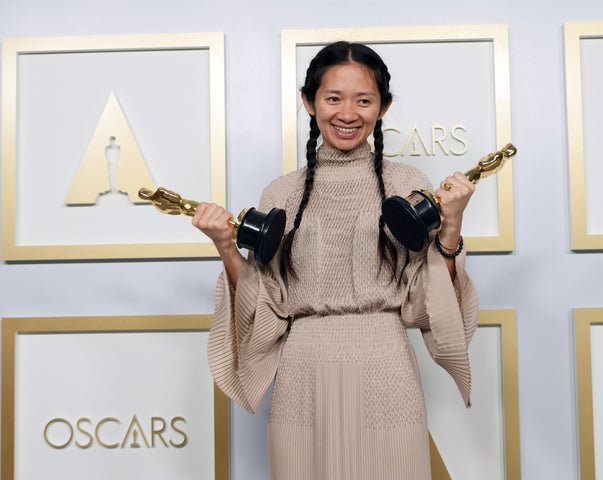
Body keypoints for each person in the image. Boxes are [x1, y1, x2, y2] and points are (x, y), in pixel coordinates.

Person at [192, 41, 479, 480]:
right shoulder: (281, 192)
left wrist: (452, 224)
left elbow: (434, 302)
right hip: (303, 377)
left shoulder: (408, 184)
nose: (348, 113)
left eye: (364, 100)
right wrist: (225, 245)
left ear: (383, 107)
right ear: (309, 102)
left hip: (387, 369)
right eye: (333, 98)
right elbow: (263, 301)